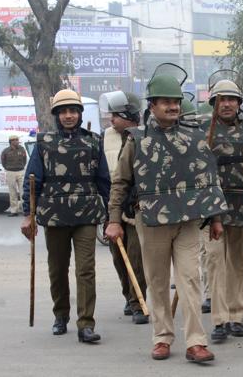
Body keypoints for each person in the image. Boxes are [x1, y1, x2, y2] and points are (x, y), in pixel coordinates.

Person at [105, 74, 229, 363]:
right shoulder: (136, 139)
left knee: (189, 279)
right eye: (166, 102)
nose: (173, 107)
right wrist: (113, 220)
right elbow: (120, 182)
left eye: (175, 101)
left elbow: (208, 179)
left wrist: (216, 218)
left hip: (188, 221)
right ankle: (162, 337)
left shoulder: (195, 136)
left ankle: (196, 342)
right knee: (158, 281)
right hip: (151, 222)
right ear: (152, 105)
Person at [20, 89, 110, 343]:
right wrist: (28, 214)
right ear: (57, 115)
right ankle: (60, 315)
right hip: (55, 216)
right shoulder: (44, 143)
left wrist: (112, 215)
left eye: (73, 111)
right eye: (64, 112)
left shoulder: (94, 141)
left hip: (87, 214)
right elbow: (32, 181)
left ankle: (86, 324)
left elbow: (104, 181)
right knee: (58, 269)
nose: (69, 116)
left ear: (80, 113)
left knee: (86, 270)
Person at [202, 79, 243, 341]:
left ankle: (237, 315)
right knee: (214, 261)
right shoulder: (201, 129)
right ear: (213, 103)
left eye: (231, 99)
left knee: (237, 262)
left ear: (239, 103)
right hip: (211, 206)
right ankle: (219, 319)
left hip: (242, 204)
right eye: (221, 99)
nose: (226, 104)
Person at [100, 90, 148, 325]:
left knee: (137, 259)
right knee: (119, 259)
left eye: (116, 116)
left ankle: (139, 303)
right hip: (112, 210)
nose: (112, 120)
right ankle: (129, 296)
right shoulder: (103, 139)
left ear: (129, 116)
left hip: (137, 210)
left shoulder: (144, 137)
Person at [1, 135, 27, 216]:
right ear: (11, 141)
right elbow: (3, 161)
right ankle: (14, 211)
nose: (17, 141)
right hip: (10, 172)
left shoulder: (22, 149)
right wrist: (8, 168)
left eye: (17, 140)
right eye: (15, 140)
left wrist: (21, 166)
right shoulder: (6, 151)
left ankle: (25, 210)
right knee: (12, 192)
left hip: (20, 171)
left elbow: (24, 160)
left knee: (23, 191)